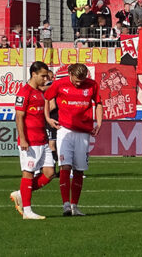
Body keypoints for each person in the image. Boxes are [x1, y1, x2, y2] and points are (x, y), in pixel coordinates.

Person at [45, 63, 102, 217]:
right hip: (65, 130)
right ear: (70, 73)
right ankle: (65, 205)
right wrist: (48, 118)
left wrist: (99, 122)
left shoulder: (92, 85)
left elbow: (99, 104)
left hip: (84, 132)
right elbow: (47, 98)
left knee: (79, 169)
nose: (78, 84)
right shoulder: (59, 84)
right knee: (65, 166)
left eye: (81, 81)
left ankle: (75, 206)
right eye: (76, 81)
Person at [10, 61, 55, 220]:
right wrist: (23, 138)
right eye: (43, 76)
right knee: (28, 173)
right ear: (33, 74)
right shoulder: (24, 92)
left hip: (43, 140)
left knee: (49, 173)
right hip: (30, 141)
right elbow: (19, 117)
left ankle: (21, 193)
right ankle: (27, 211)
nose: (45, 79)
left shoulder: (40, 91)